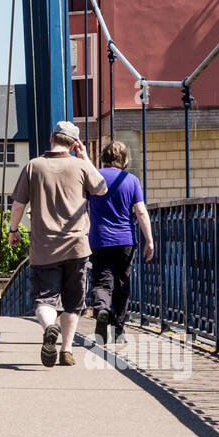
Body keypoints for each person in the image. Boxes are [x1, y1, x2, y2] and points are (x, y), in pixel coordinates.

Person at [8, 121, 108, 368]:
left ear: (51, 136)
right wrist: (85, 158)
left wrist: (13, 231)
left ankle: (49, 327)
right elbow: (102, 188)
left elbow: (18, 205)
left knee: (44, 300)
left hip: (44, 249)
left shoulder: (33, 166)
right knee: (73, 302)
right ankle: (66, 350)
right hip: (77, 246)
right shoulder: (81, 165)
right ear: (74, 144)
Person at [87, 140, 155, 344]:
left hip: (99, 239)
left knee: (102, 281)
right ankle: (119, 331)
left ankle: (101, 309)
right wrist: (149, 240)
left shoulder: (94, 178)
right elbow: (141, 212)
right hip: (125, 239)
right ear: (124, 160)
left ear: (102, 158)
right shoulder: (131, 180)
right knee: (122, 284)